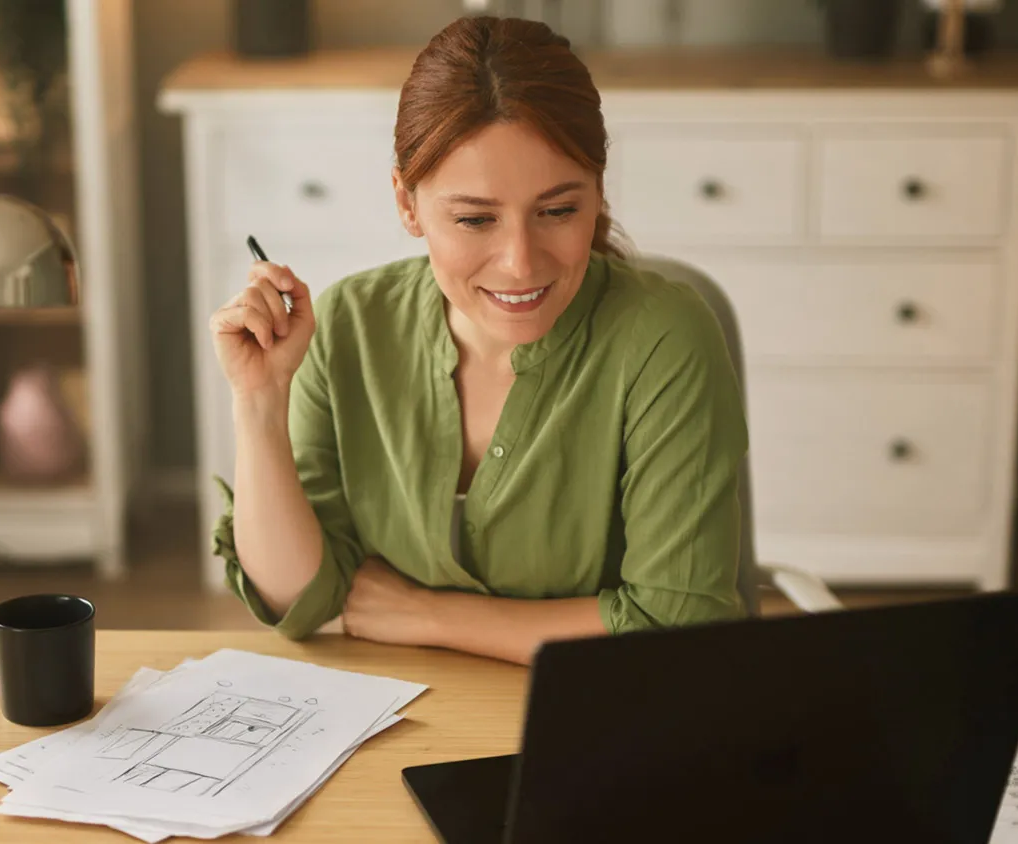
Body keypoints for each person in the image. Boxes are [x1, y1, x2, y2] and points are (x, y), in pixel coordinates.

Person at [207, 15, 749, 666]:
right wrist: (259, 402)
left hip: (604, 723)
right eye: (474, 219)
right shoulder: (350, 323)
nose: (521, 262)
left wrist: (429, 615)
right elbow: (301, 598)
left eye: (558, 211)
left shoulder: (663, 338)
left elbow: (678, 630)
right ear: (407, 204)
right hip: (413, 714)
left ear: (599, 193)